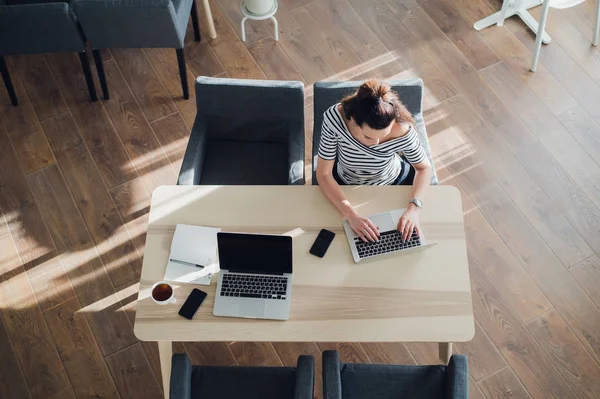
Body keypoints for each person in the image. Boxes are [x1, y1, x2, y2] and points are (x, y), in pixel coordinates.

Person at [316, 79, 432, 243]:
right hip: (344, 183)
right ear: (354, 122)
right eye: (369, 137)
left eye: (384, 135)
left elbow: (424, 168)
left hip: (392, 183)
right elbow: (323, 174)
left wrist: (414, 208)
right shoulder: (334, 118)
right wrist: (350, 214)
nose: (377, 143)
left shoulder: (402, 130)